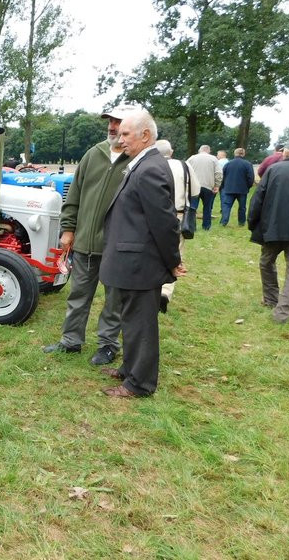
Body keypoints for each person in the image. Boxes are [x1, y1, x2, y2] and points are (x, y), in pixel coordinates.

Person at [42, 104, 138, 366]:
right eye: (110, 121)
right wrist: (68, 229)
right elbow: (74, 195)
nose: (113, 127)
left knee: (114, 299)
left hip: (116, 245)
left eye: (119, 122)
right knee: (78, 294)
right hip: (84, 241)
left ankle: (108, 345)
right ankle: (71, 341)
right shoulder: (93, 154)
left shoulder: (136, 159)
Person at [98, 111, 184, 397]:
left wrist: (173, 262)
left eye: (126, 134)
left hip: (140, 263)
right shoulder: (143, 164)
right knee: (131, 320)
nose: (120, 139)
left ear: (145, 135)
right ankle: (129, 369)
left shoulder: (150, 169)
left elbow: (164, 223)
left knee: (141, 324)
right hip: (131, 261)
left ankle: (139, 384)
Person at [247, 137, 289, 323]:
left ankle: (273, 302)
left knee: (266, 262)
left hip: (272, 229)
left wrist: (252, 222)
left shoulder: (274, 169)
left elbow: (257, 199)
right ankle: (278, 309)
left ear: (287, 152)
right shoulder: (275, 168)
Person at [155, 139, 200, 313]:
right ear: (171, 152)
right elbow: (195, 191)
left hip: (155, 214)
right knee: (176, 251)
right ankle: (165, 290)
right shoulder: (184, 166)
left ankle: (153, 287)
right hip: (178, 214)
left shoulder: (150, 166)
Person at [186, 145, 222, 230]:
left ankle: (191, 227)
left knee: (192, 208)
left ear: (200, 150)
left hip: (194, 187)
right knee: (207, 207)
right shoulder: (213, 159)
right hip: (208, 186)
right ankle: (206, 226)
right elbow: (218, 173)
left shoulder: (191, 158)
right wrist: (217, 185)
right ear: (208, 151)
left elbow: (185, 170)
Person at [220, 148, 254, 227]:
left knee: (226, 206)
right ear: (243, 154)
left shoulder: (228, 164)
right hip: (242, 189)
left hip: (228, 188)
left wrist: (223, 186)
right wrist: (248, 186)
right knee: (242, 207)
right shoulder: (247, 164)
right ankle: (241, 222)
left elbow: (222, 176)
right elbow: (251, 178)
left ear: (234, 154)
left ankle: (224, 222)